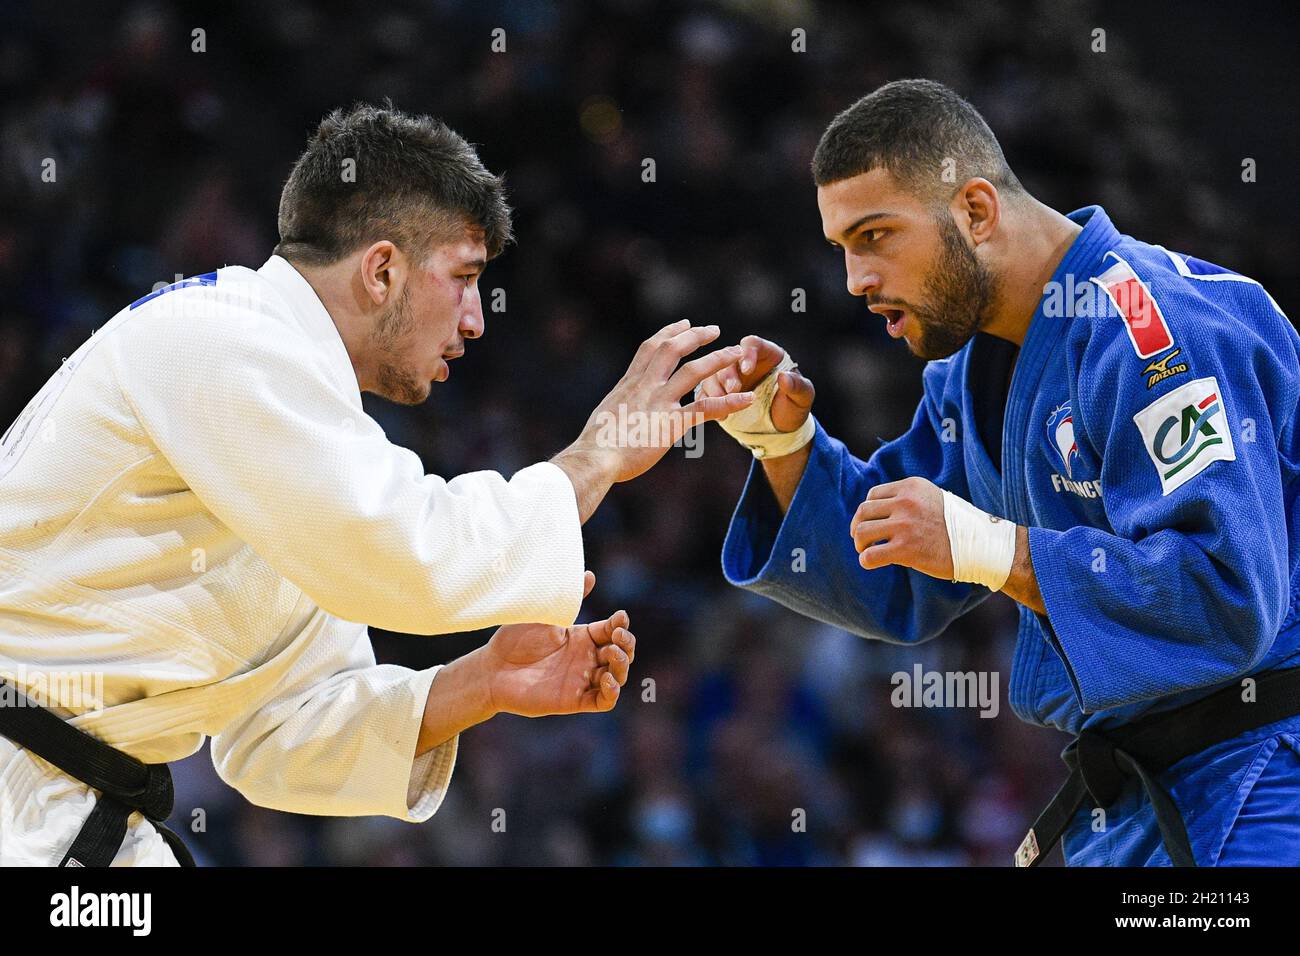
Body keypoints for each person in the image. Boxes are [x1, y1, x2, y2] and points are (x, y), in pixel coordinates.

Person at [0, 104, 754, 866]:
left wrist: (482, 682)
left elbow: (278, 732)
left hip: (64, 812)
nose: (475, 320)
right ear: (383, 269)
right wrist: (596, 457)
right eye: (463, 278)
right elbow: (407, 551)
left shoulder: (288, 405)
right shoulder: (227, 340)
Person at [698, 79, 1300, 866]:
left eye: (875, 234)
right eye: (841, 247)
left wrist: (994, 551)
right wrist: (782, 445)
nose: (854, 279)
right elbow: (893, 573)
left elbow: (1225, 593)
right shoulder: (969, 375)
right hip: (1134, 808)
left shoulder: (1153, 329)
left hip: (1262, 780)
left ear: (976, 212)